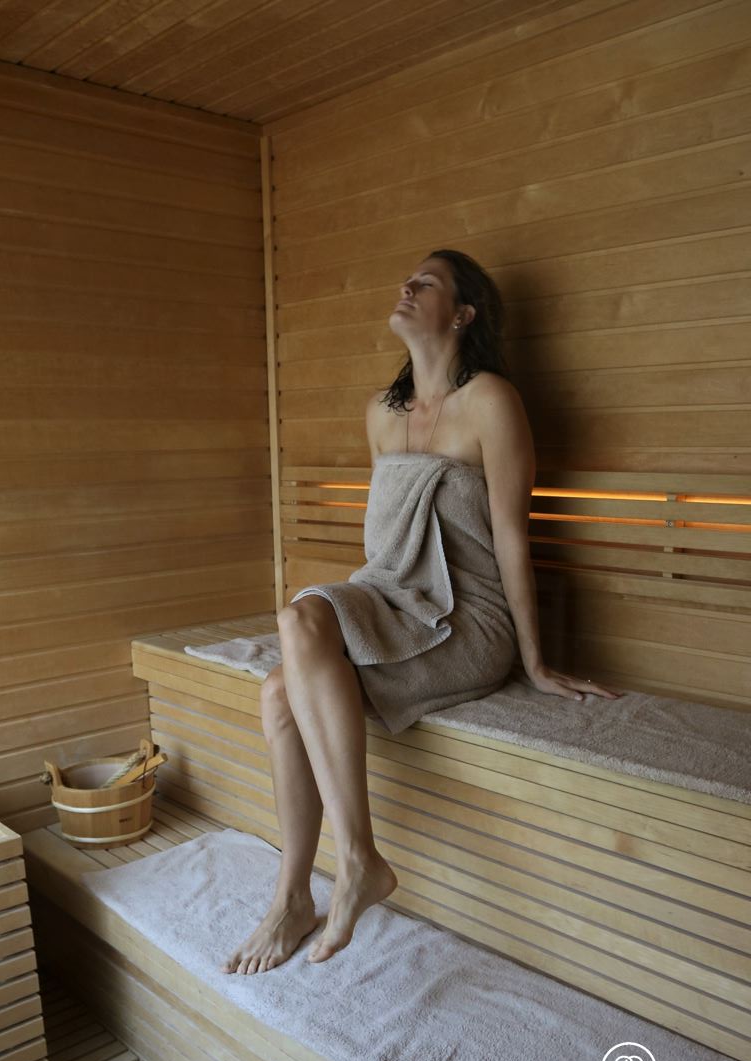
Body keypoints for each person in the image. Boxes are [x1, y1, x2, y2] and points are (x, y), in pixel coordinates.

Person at [222, 249, 622, 978]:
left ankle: (353, 863)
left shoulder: (492, 402)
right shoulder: (382, 414)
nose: (405, 286)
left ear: (463, 314)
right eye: (407, 279)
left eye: (426, 282)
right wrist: (362, 614)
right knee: (285, 669)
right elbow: (388, 542)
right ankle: (297, 894)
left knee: (293, 654)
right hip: (395, 598)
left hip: (469, 621)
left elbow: (511, 537)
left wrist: (533, 661)